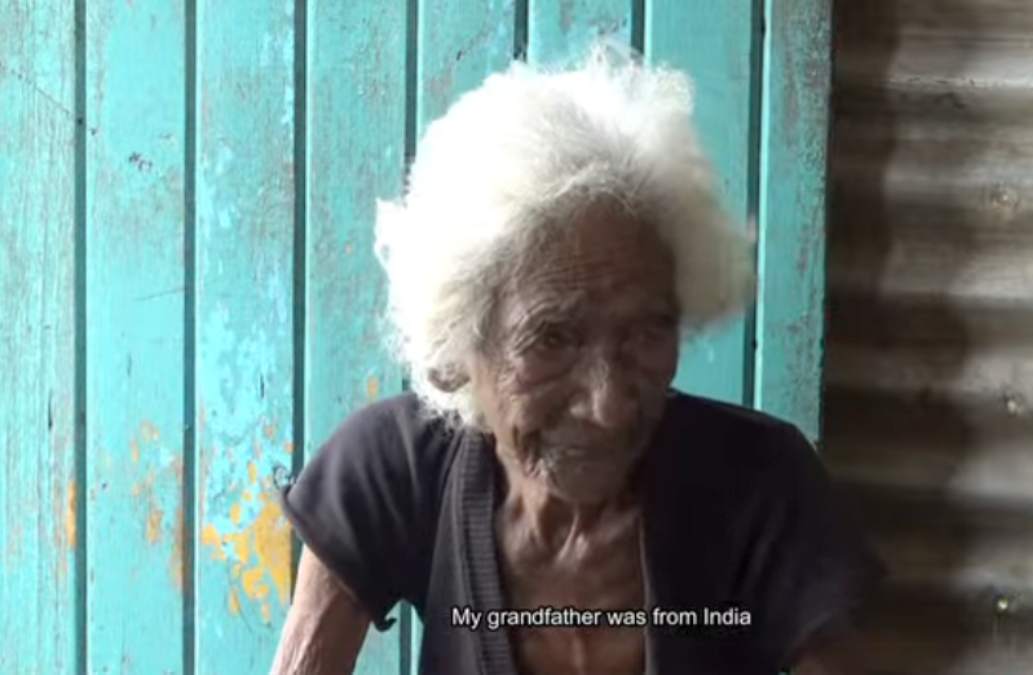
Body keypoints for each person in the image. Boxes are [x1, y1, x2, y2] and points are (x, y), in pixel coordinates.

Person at [270, 47, 883, 675]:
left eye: (646, 334)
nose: (609, 407)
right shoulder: (396, 468)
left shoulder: (758, 483)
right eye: (552, 340)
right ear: (457, 346)